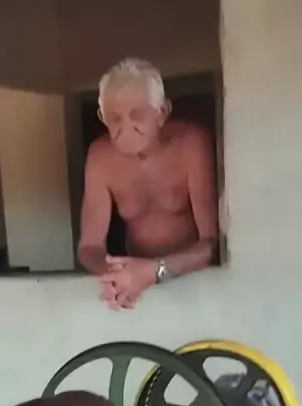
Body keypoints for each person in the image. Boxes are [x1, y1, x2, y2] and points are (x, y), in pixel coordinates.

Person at [78, 58, 218, 309]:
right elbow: (89, 246)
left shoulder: (192, 144)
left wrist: (155, 271)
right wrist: (116, 275)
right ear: (102, 117)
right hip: (138, 290)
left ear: (162, 113)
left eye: (137, 116)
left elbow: (212, 243)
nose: (126, 127)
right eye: (114, 119)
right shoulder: (100, 156)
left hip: (193, 280)